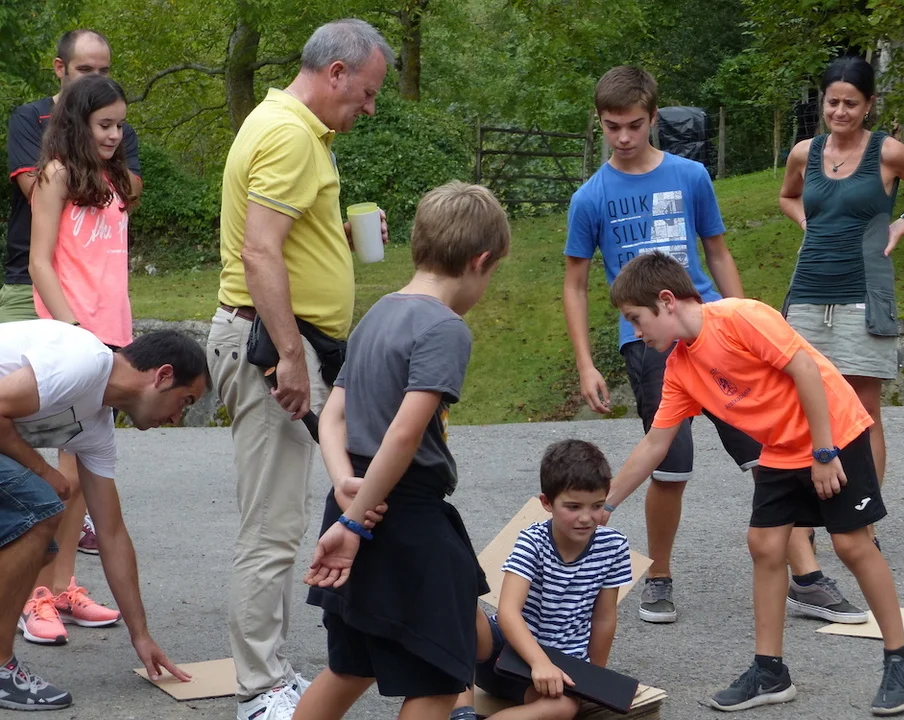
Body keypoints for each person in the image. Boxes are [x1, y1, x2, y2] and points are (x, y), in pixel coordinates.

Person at [562, 65, 860, 626]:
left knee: (769, 452)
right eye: (611, 126)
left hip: (713, 330)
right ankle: (659, 575)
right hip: (649, 343)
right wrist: (585, 362)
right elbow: (575, 284)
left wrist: (745, 319)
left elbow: (718, 253)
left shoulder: (691, 176)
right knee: (669, 462)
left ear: (653, 117)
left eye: (633, 125)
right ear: (599, 122)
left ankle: (806, 577)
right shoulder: (590, 197)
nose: (623, 137)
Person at [603, 251, 904, 716]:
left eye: (637, 318)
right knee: (764, 544)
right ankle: (770, 671)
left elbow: (806, 369)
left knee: (852, 545)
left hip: (834, 431)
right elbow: (656, 444)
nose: (636, 332)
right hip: (780, 446)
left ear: (667, 300)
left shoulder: (741, 317)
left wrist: (824, 452)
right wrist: (605, 505)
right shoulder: (680, 368)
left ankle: (902, 659)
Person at [206, 19, 393, 720]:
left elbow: (280, 238)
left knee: (280, 519)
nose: (369, 107)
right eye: (366, 92)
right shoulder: (290, 134)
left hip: (286, 340)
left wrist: (333, 239)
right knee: (272, 526)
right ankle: (259, 689)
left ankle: (273, 673)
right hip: (270, 345)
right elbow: (258, 252)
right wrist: (289, 355)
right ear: (336, 72)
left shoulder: (289, 127)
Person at [294, 182, 510, 720]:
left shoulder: (379, 311)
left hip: (356, 496)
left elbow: (333, 415)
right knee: (439, 678)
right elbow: (404, 435)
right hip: (400, 512)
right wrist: (357, 520)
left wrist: (346, 488)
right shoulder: (445, 328)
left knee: (350, 666)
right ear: (480, 261)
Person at [0, 322, 209, 711]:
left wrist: (140, 635)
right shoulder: (85, 360)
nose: (177, 418)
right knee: (38, 510)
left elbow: (111, 534)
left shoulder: (95, 425)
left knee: (37, 543)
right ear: (163, 376)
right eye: (186, 401)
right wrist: (45, 473)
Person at [2, 26, 143, 591]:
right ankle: (33, 591)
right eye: (104, 125)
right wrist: (73, 329)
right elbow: (41, 262)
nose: (115, 135)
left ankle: (60, 588)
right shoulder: (55, 174)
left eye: (119, 126)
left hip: (111, 328)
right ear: (78, 121)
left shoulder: (113, 179)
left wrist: (108, 331)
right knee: (33, 462)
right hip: (68, 331)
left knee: (81, 463)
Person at [780, 55, 904, 492]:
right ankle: (805, 515)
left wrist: (902, 225)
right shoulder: (804, 152)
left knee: (862, 413)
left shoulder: (888, 151)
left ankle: (864, 514)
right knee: (804, 409)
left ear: (869, 104)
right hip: (806, 296)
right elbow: (788, 197)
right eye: (833, 102)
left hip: (863, 296)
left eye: (851, 103)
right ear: (823, 102)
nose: (840, 112)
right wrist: (807, 223)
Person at [451, 439, 632, 720]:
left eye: (597, 506)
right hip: (505, 650)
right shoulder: (532, 541)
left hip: (558, 666)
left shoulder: (614, 546)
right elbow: (508, 612)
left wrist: (594, 678)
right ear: (546, 503)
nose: (586, 518)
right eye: (573, 507)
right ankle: (461, 711)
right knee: (462, 606)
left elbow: (604, 618)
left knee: (564, 707)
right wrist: (538, 662)